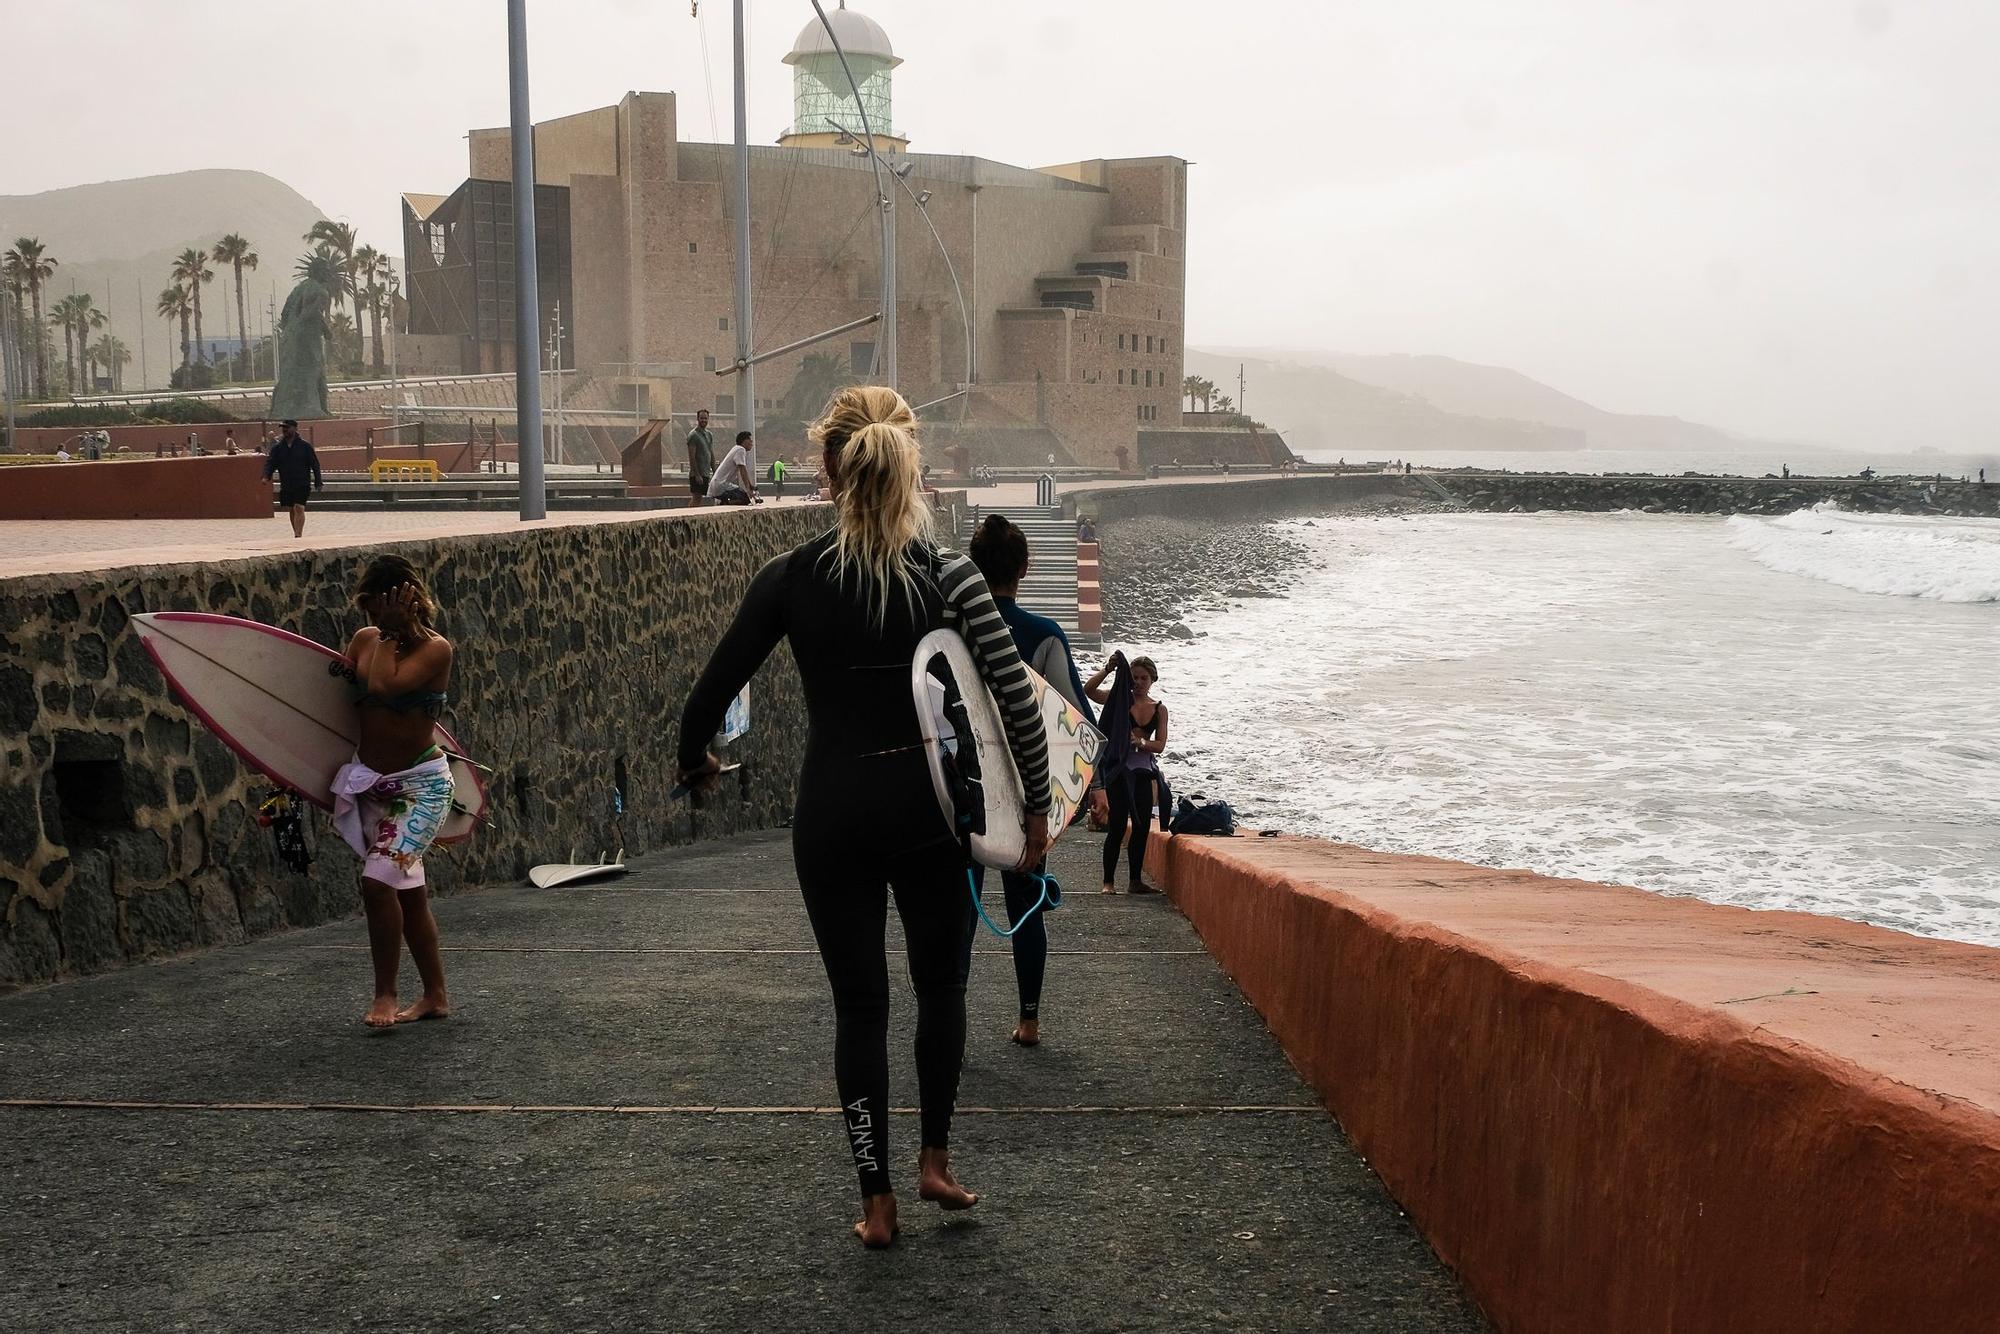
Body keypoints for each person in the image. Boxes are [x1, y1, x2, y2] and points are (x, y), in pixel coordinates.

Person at [674, 385, 1052, 1248]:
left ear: (828, 467)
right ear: (910, 464)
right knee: (942, 987)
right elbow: (1017, 704)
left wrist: (694, 762)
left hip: (834, 812)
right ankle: (936, 1162)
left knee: (860, 1006)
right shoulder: (950, 575)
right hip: (927, 815)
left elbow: (707, 697)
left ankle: (875, 1202)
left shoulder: (792, 578)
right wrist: (1032, 809)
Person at [963, 514, 1099, 1048]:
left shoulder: (955, 633)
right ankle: (1029, 1020)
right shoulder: (1043, 636)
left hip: (965, 790)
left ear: (974, 568)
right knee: (1026, 907)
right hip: (1026, 795)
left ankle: (954, 1025)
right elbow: (1078, 721)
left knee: (961, 912)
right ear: (1025, 568)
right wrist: (1095, 790)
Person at [334, 555, 456, 1028]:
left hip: (421, 788)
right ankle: (436, 996)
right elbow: (337, 705)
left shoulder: (435, 650)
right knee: (409, 895)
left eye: (377, 607)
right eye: (368, 610)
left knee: (376, 882)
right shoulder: (364, 640)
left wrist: (391, 633)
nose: (370, 619)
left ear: (404, 602)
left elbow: (385, 687)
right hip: (372, 782)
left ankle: (385, 994)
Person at [1085, 652, 1169, 895]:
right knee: (1118, 825)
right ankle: (1108, 882)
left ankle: (1135, 881)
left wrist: (1140, 742)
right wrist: (1108, 670)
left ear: (1153, 679)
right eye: (1134, 678)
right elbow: (1088, 691)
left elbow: (1160, 745)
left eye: (1144, 678)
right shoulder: (1119, 699)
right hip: (1119, 772)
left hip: (1143, 772)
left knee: (1141, 827)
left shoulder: (1159, 709)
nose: (1139, 683)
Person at [262, 419, 323, 538]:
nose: (284, 430)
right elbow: (270, 463)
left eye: (287, 427)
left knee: (299, 507)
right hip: (287, 482)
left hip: (302, 482)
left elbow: (315, 464)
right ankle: (296, 531)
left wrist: (318, 481)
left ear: (295, 429)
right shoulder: (278, 448)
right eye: (283, 427)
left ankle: (298, 534)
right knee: (291, 508)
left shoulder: (305, 446)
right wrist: (266, 476)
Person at [706, 430, 758, 505]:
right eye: (750, 440)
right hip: (721, 485)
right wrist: (748, 489)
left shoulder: (736, 448)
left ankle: (722, 502)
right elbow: (742, 470)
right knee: (744, 499)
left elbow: (743, 470)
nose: (752, 443)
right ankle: (721, 503)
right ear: (744, 441)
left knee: (743, 497)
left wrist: (750, 486)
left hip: (717, 485)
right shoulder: (740, 450)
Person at [686, 408, 716, 501]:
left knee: (700, 498)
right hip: (697, 474)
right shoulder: (693, 435)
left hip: (706, 473)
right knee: (696, 498)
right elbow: (692, 457)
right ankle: (690, 514)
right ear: (697, 419)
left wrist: (715, 472)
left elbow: (711, 453)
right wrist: (697, 475)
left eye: (705, 418)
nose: (704, 420)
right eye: (701, 418)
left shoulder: (709, 434)